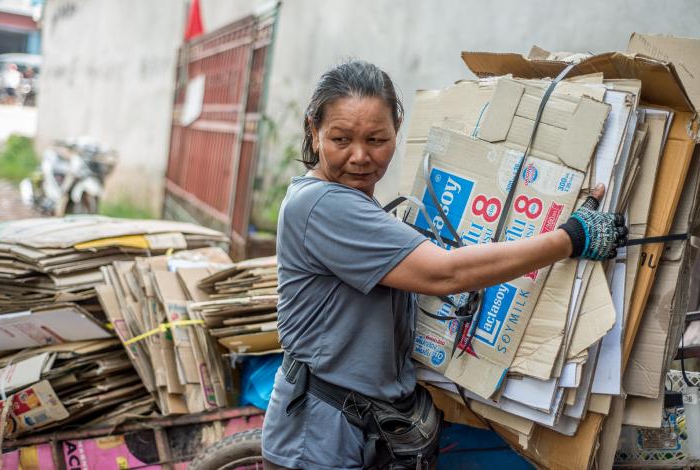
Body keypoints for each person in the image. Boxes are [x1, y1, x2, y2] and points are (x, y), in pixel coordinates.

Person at [261, 60, 625, 470]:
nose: (360, 157)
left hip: (362, 432)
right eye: (341, 139)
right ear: (314, 129)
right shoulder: (323, 204)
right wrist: (570, 237)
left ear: (397, 129)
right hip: (319, 446)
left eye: (377, 139)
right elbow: (444, 273)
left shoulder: (354, 202)